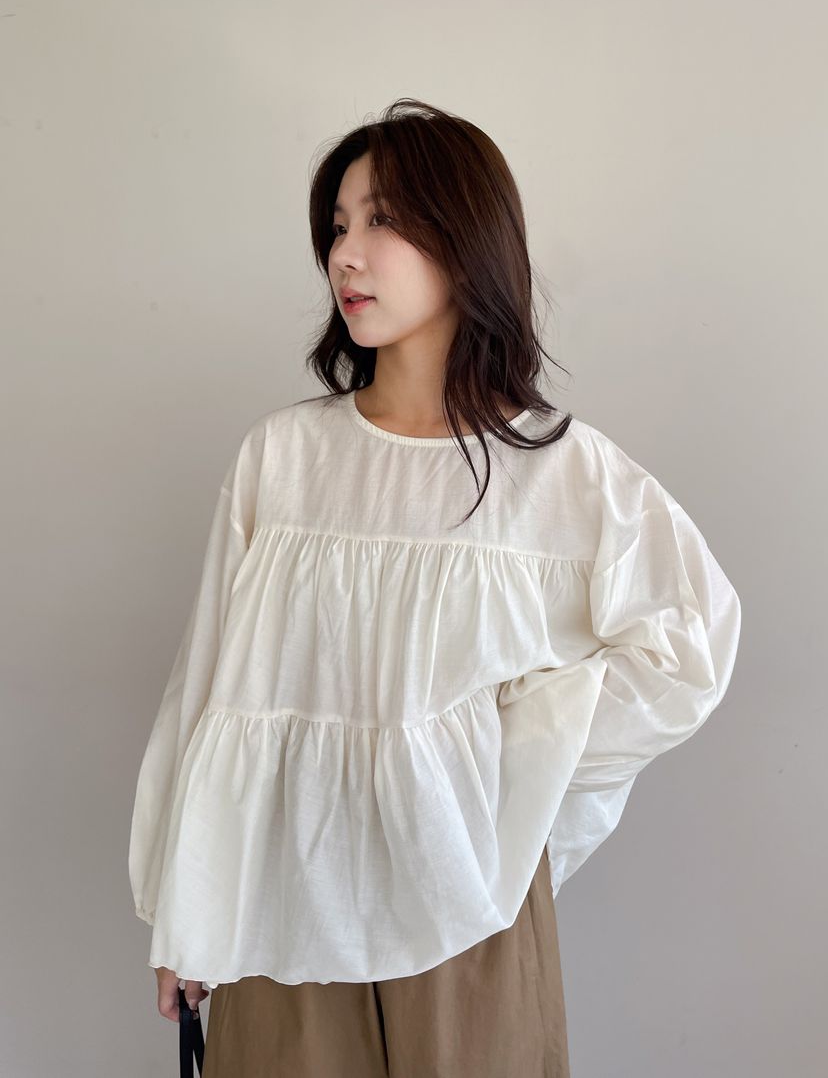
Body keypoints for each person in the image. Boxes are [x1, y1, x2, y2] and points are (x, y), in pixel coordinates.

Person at [128, 98, 742, 1076]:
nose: (345, 255)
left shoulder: (566, 477)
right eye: (337, 226)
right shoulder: (281, 460)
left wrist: (506, 756)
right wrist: (182, 901)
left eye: (382, 220)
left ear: (465, 240)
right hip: (281, 906)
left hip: (467, 920)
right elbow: (205, 690)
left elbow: (688, 646)